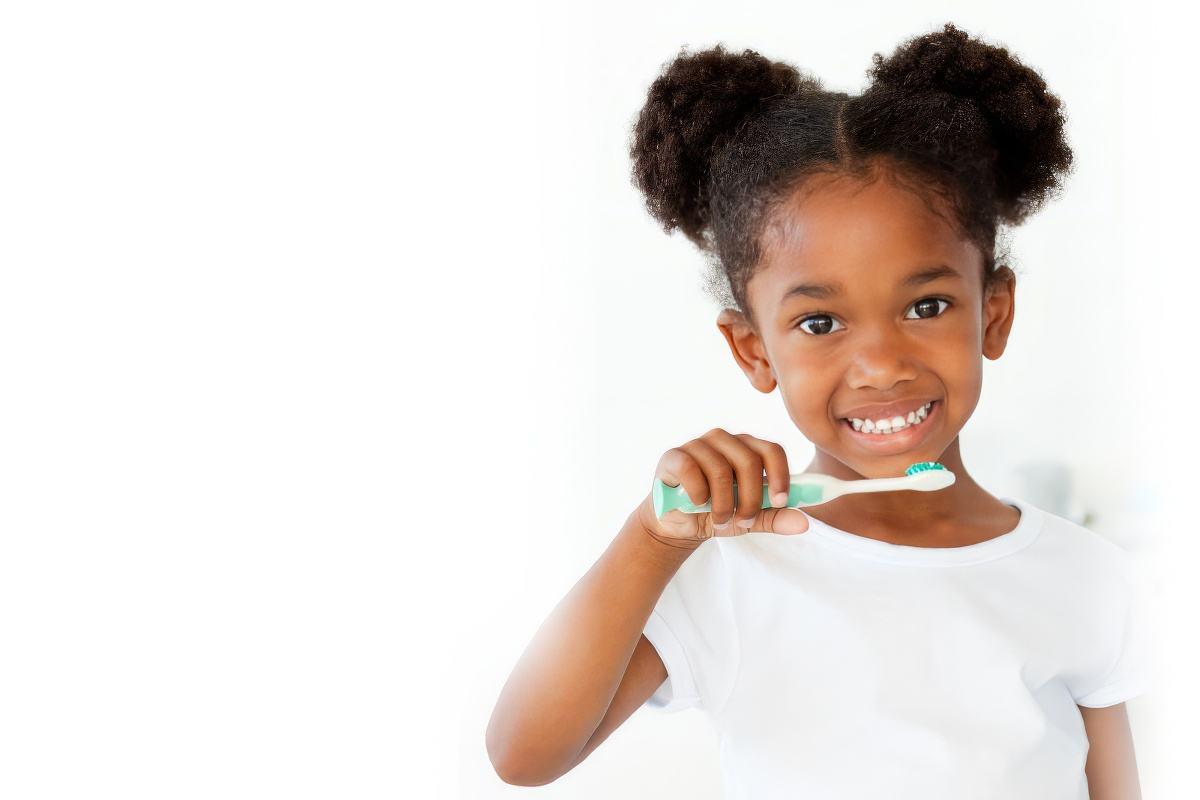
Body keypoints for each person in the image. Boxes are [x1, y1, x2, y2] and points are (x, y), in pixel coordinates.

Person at [486, 22, 1150, 799]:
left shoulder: (1085, 577)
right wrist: (651, 538)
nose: (880, 366)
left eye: (928, 304)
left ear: (993, 313)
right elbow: (523, 755)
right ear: (754, 351)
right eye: (820, 323)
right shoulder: (734, 569)